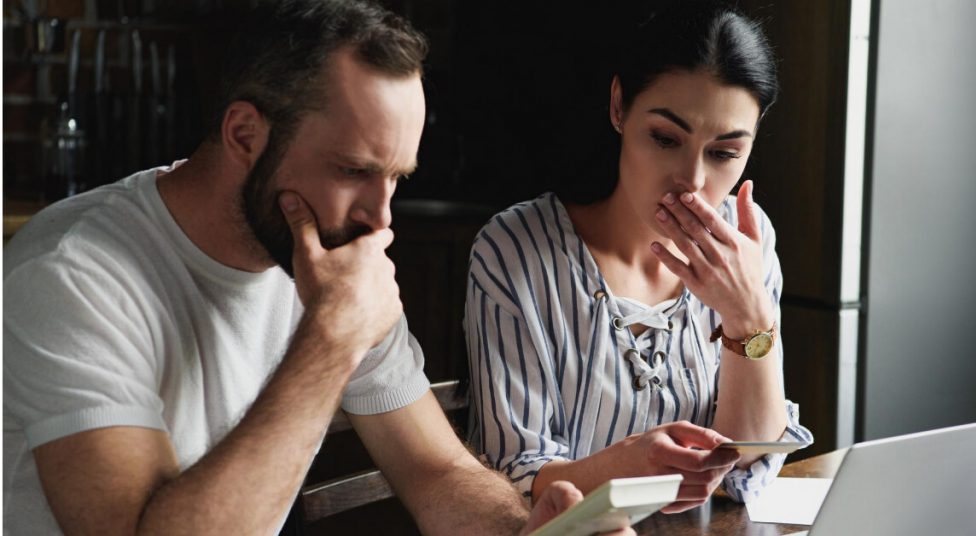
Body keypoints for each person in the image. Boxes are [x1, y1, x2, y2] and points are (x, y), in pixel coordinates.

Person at [2, 2, 626, 534]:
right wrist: (330, 337)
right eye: (353, 171)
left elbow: (439, 474)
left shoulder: (333, 256)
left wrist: (527, 527)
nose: (380, 218)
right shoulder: (73, 275)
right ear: (245, 134)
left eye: (395, 178)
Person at [465, 0, 814, 512]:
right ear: (618, 107)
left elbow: (746, 467)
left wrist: (749, 317)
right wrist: (620, 469)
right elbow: (513, 481)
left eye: (723, 153)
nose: (692, 181)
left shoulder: (749, 240)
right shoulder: (515, 252)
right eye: (665, 138)